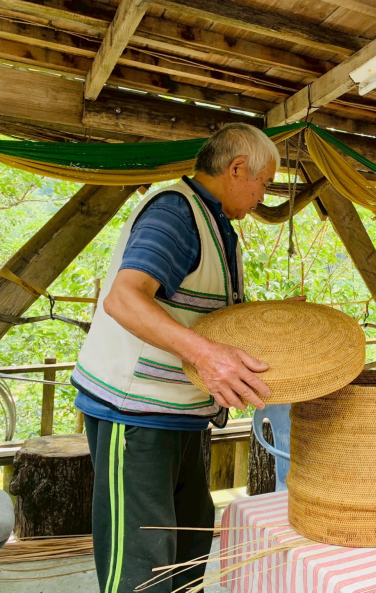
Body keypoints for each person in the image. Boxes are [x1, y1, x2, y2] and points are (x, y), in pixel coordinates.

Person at [72, 123, 283, 593]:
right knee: (143, 565)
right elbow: (124, 299)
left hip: (180, 414)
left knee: (186, 551)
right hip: (137, 413)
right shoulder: (176, 213)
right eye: (264, 182)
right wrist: (207, 357)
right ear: (236, 169)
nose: (263, 195)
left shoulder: (216, 224)